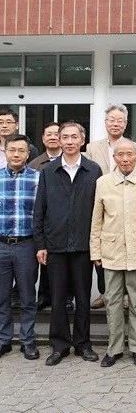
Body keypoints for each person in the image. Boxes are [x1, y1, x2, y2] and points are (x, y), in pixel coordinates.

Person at [34, 121, 102, 366]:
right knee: (58, 298)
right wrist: (40, 244)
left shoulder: (93, 170)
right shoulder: (48, 171)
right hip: (55, 245)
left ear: (82, 140)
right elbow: (39, 209)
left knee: (83, 298)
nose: (70, 141)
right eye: (65, 137)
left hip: (84, 245)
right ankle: (59, 345)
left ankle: (83, 344)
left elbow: (100, 209)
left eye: (75, 137)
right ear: (60, 140)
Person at [90, 139, 136, 368]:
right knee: (112, 301)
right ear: (114, 158)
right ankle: (114, 348)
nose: (125, 159)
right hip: (111, 250)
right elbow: (97, 220)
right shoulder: (103, 183)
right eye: (120, 155)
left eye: (129, 154)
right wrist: (95, 251)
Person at [85, 104, 136, 310]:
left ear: (126, 124)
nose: (115, 124)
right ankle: (105, 293)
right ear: (105, 123)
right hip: (100, 202)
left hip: (128, 205)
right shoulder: (92, 148)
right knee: (104, 248)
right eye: (112, 120)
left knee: (127, 249)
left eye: (120, 120)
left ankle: (126, 295)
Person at [0, 134, 40, 360]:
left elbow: (42, 214)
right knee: (1, 297)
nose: (16, 154)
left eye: (21, 151)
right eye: (12, 150)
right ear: (5, 152)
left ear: (28, 154)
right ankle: (3, 340)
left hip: (26, 245)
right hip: (1, 245)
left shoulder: (38, 179)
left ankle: (28, 341)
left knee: (27, 297)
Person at [29, 122, 64, 312]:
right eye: (48, 134)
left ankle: (66, 298)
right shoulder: (35, 164)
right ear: (43, 139)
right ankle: (44, 296)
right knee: (46, 260)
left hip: (66, 218)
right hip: (45, 217)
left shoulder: (70, 160)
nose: (52, 137)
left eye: (56, 134)